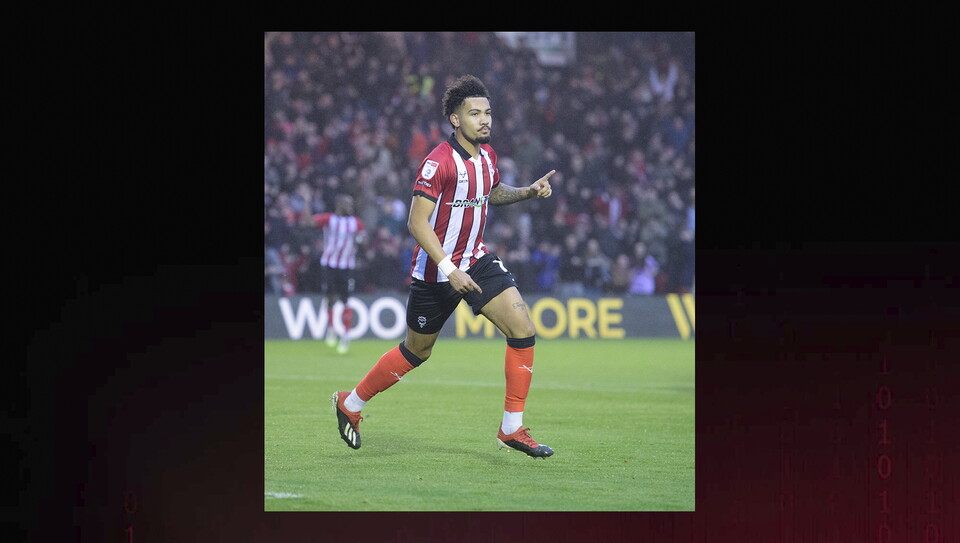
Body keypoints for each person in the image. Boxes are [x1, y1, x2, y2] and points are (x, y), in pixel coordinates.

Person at [331, 74, 558, 458]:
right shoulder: (438, 163)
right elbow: (416, 223)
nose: (485, 120)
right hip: (437, 273)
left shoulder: (488, 157)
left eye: (487, 113)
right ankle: (349, 404)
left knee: (523, 329)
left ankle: (511, 428)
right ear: (455, 119)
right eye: (475, 113)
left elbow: (490, 192)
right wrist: (448, 267)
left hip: (477, 260)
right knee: (416, 352)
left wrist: (527, 193)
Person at [304, 193, 365, 354]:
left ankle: (345, 335)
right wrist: (307, 201)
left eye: (351, 204)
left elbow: (363, 238)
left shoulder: (356, 223)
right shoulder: (329, 219)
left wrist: (361, 240)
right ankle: (331, 327)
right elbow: (309, 221)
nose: (350, 207)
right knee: (329, 297)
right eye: (347, 204)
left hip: (346, 266)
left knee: (346, 300)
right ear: (339, 205)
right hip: (329, 264)